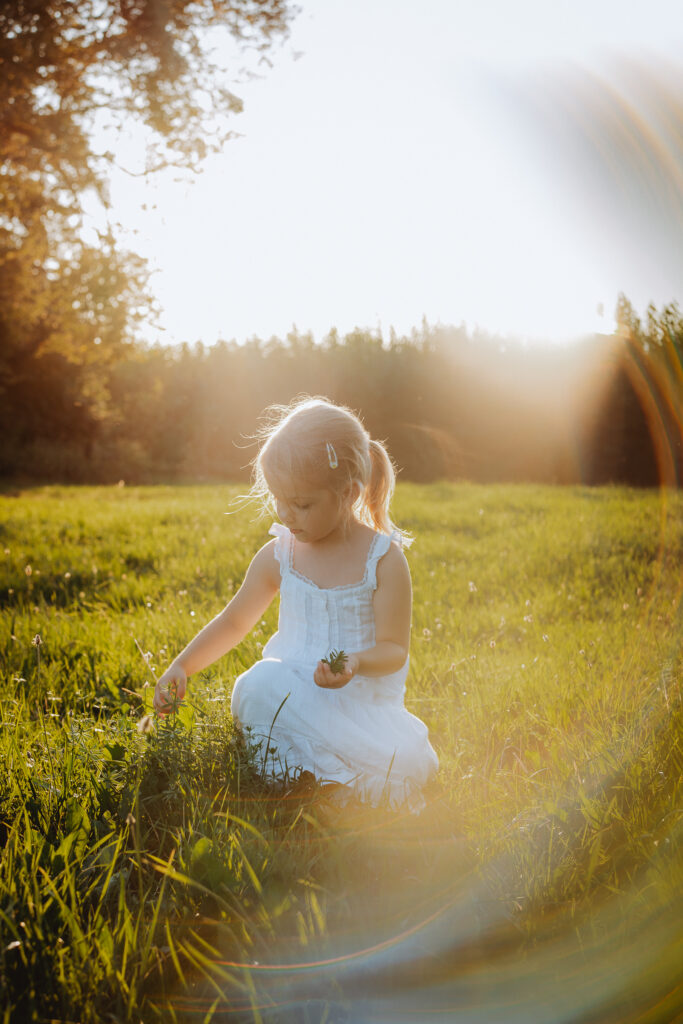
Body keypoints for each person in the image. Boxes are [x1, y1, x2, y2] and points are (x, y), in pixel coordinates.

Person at [154, 397, 438, 809]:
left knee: (406, 759)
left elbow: (394, 649)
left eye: (302, 504)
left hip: (359, 712)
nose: (287, 514)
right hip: (293, 700)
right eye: (278, 499)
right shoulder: (279, 554)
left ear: (348, 493)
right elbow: (234, 622)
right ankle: (326, 786)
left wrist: (355, 662)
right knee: (257, 686)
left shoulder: (383, 560)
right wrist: (182, 665)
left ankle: (332, 785)